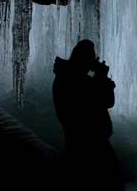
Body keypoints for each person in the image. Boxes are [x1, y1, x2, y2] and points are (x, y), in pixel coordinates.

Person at [52, 39, 124, 190]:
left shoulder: (67, 76)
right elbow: (106, 101)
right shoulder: (75, 79)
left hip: (79, 140)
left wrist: (99, 77)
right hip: (89, 143)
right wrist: (102, 77)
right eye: (90, 57)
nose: (93, 61)